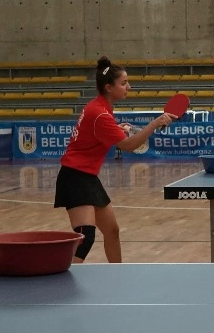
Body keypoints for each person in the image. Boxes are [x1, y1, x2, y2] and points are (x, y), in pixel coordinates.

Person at [56, 55, 177, 263]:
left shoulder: (100, 107)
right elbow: (128, 146)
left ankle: (118, 273)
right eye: (124, 83)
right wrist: (154, 124)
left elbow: (94, 135)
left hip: (88, 177)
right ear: (109, 87)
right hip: (75, 178)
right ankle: (63, 277)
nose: (128, 87)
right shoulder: (100, 114)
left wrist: (116, 129)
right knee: (85, 237)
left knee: (112, 230)